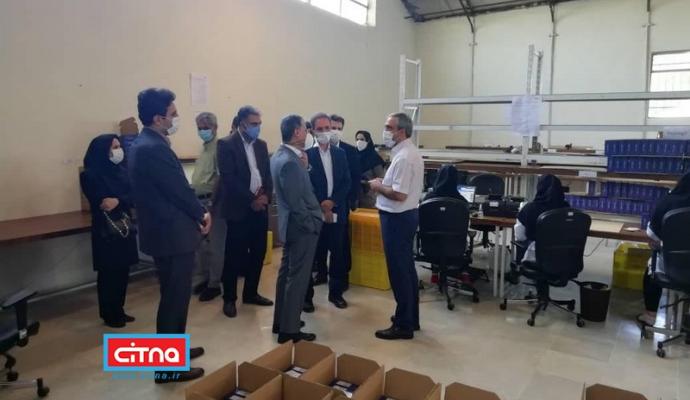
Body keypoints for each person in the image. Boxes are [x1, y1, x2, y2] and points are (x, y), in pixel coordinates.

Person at [128, 88, 209, 383]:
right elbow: (179, 190)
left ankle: (174, 353)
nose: (176, 118)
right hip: (172, 235)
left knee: (173, 296)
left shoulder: (145, 143)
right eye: (173, 114)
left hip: (165, 233)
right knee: (174, 299)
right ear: (157, 118)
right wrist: (202, 213)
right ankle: (167, 368)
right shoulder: (153, 148)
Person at [369, 112, 424, 340]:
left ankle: (403, 325)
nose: (385, 131)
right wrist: (385, 183)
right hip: (405, 216)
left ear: (401, 131)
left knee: (399, 272)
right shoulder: (407, 153)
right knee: (407, 270)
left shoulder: (404, 157)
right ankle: (410, 317)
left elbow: (399, 194)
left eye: (389, 127)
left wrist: (377, 186)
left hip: (396, 219)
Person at [216, 106, 274, 318]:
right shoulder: (226, 144)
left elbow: (267, 175)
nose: (257, 128)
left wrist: (266, 197)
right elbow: (229, 179)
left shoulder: (261, 145)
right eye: (253, 124)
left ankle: (251, 293)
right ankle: (229, 299)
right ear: (242, 124)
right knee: (234, 255)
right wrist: (252, 200)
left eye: (259, 124)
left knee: (258, 252)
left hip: (260, 207)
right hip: (239, 209)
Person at [271, 114, 322, 343]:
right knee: (297, 278)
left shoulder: (281, 155)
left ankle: (282, 321)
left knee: (286, 275)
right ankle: (290, 330)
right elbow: (295, 202)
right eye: (306, 129)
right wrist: (311, 223)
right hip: (300, 227)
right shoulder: (290, 162)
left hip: (290, 225)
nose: (308, 133)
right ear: (296, 132)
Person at [80, 134, 139, 328]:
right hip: (105, 229)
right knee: (108, 272)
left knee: (123, 270)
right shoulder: (89, 175)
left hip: (124, 226)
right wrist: (120, 199)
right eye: (114, 147)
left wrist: (118, 200)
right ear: (102, 150)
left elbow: (132, 195)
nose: (118, 151)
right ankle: (109, 313)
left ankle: (119, 309)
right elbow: (102, 201)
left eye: (119, 146)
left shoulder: (122, 170)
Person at [304, 113, 352, 310]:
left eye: (328, 128)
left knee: (338, 254)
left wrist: (332, 201)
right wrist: (321, 203)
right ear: (312, 131)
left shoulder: (340, 154)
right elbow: (306, 185)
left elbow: (346, 182)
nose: (325, 132)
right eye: (320, 129)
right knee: (311, 256)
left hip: (337, 211)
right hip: (315, 214)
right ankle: (306, 297)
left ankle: (336, 293)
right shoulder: (307, 155)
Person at [637, 173, 690, 328]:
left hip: (672, 267)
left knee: (651, 268)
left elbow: (652, 237)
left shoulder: (669, 202)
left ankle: (650, 316)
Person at [191, 112, 227, 302]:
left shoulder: (219, 147)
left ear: (215, 127)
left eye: (206, 127)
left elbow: (221, 177)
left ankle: (214, 284)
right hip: (198, 202)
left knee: (215, 245)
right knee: (201, 245)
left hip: (212, 203)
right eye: (199, 128)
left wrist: (212, 203)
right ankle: (204, 279)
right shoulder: (204, 148)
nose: (202, 131)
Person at [514, 175, 570, 263]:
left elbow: (520, 237)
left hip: (536, 259)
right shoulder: (568, 210)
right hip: (564, 260)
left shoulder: (529, 209)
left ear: (539, 189)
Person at [356, 130, 386, 208]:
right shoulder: (354, 155)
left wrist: (366, 182)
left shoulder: (374, 158)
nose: (359, 142)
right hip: (355, 197)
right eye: (357, 139)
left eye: (362, 139)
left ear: (368, 141)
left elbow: (381, 178)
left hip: (370, 197)